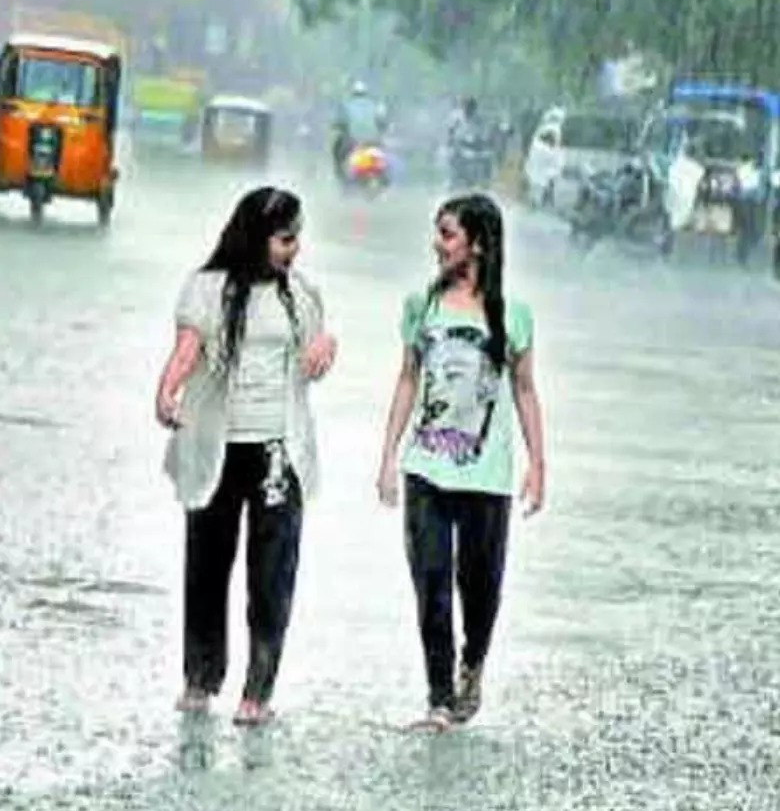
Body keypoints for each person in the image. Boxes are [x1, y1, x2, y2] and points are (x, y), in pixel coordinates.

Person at [155, 187, 339, 727]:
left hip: (278, 451)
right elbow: (187, 350)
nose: (294, 249)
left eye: (297, 238)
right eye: (285, 239)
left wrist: (325, 352)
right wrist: (165, 392)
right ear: (257, 236)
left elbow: (315, 349)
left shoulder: (300, 294)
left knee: (272, 574)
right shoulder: (208, 289)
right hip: (217, 446)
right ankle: (200, 676)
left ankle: (258, 690)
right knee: (207, 567)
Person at [375, 193, 546, 733]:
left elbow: (524, 390)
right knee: (430, 581)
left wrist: (538, 464)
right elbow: (407, 379)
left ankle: (474, 662)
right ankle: (440, 699)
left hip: (486, 475)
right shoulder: (419, 306)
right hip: (425, 467)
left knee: (480, 584)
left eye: (447, 234)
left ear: (477, 242)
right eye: (437, 232)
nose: (436, 244)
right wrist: (387, 456)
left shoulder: (513, 316)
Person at [331, 80, 387, 175]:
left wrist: (337, 126)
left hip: (352, 141)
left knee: (337, 150)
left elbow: (340, 121)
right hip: (373, 142)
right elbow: (382, 122)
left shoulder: (346, 105)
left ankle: (340, 172)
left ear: (353, 93)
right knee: (384, 154)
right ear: (366, 93)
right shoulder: (374, 105)